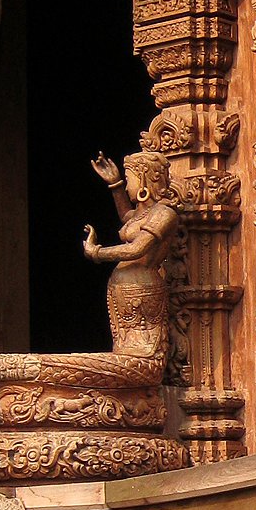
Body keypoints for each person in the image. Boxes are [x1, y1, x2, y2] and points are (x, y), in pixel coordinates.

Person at [84, 147, 179, 366]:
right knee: (125, 345)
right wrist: (115, 185)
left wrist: (97, 252)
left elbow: (136, 248)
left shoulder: (164, 214)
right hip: (123, 290)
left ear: (144, 179)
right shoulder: (142, 214)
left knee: (142, 352)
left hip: (143, 291)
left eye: (129, 180)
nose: (128, 187)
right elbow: (128, 217)